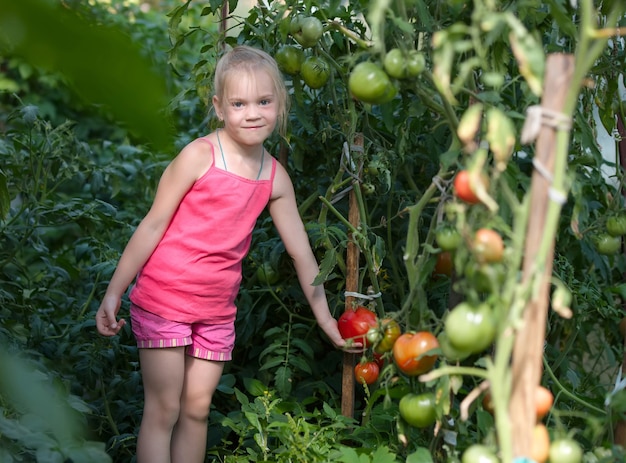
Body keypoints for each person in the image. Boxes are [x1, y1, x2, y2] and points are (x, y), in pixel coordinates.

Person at [95, 45, 352, 463]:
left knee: (196, 411)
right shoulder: (199, 156)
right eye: (239, 103)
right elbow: (153, 224)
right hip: (165, 299)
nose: (252, 113)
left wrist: (326, 319)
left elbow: (303, 256)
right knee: (165, 408)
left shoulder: (274, 176)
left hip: (216, 311)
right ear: (219, 107)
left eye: (264, 102)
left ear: (280, 104)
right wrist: (114, 291)